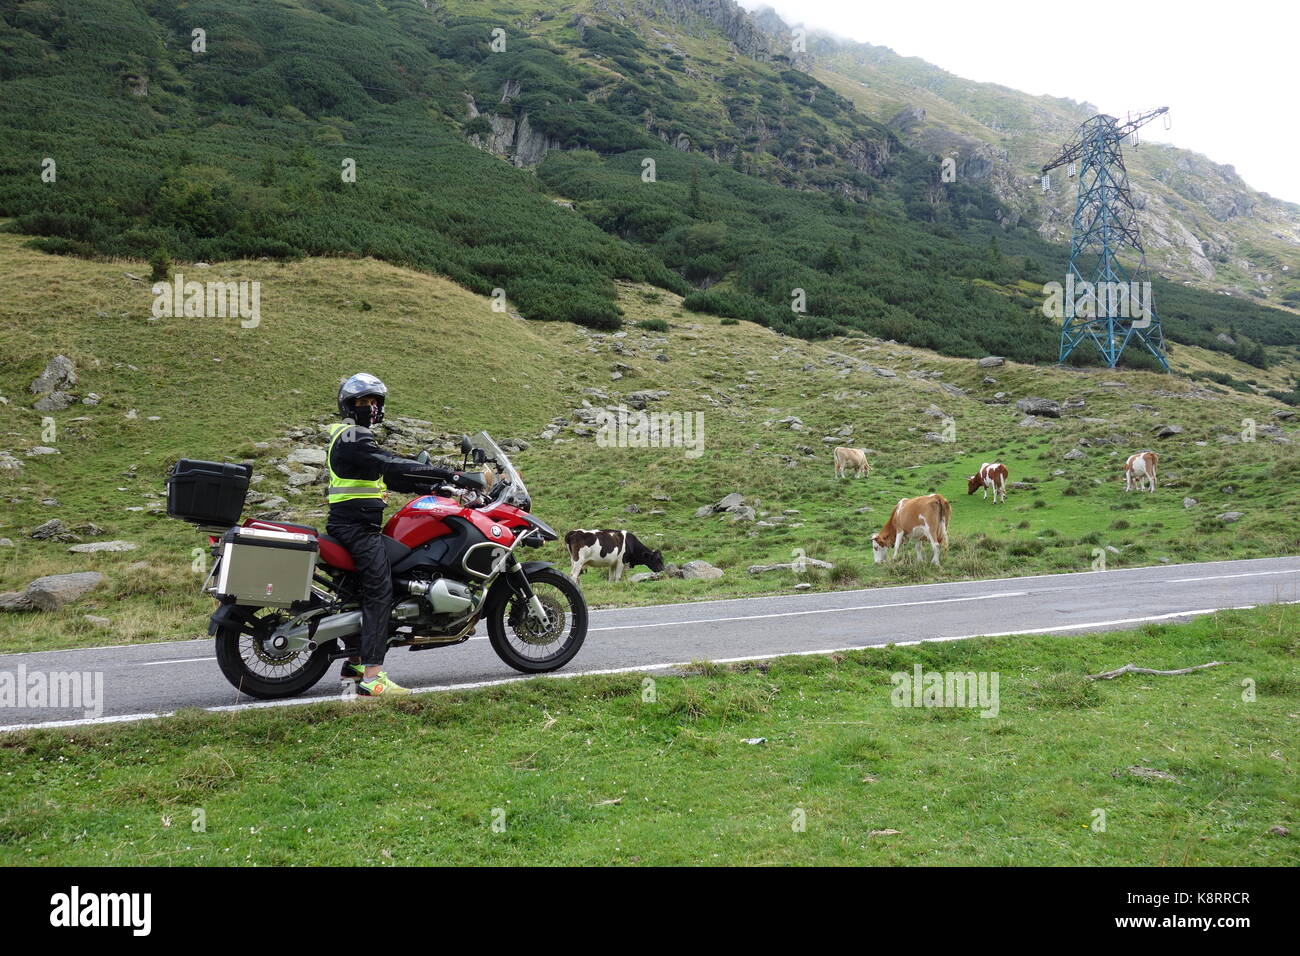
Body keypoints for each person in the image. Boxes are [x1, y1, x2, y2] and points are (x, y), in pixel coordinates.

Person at [326, 373, 466, 696]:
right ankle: (373, 678)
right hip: (357, 529)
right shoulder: (352, 437)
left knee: (362, 592)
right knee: (380, 591)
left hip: (354, 526)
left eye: (374, 402)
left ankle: (356, 661)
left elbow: (391, 476)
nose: (370, 408)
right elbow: (390, 465)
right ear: (348, 406)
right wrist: (451, 473)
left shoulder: (353, 438)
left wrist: (435, 486)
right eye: (363, 402)